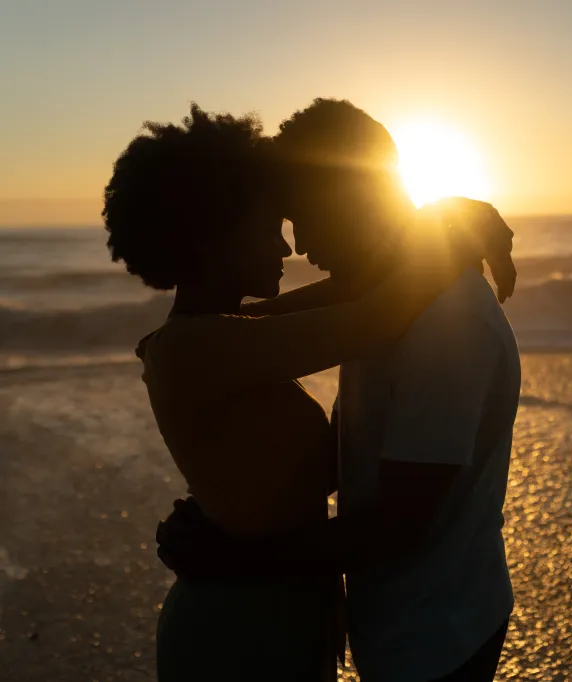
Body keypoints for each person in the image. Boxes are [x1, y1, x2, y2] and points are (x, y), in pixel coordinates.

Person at [103, 103, 515, 681]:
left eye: (294, 221)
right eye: (272, 224)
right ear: (208, 239)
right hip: (240, 627)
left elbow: (351, 302)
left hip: (296, 616)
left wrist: (226, 522)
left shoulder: (219, 340)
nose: (288, 249)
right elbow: (376, 311)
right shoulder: (197, 348)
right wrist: (458, 225)